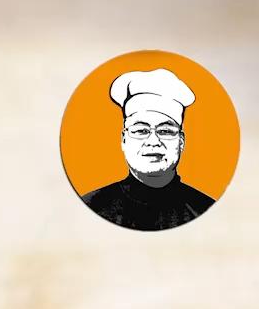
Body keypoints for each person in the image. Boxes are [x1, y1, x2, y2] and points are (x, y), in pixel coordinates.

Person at [80, 68, 217, 231]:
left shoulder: (205, 209)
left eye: (165, 131)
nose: (153, 141)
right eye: (141, 131)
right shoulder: (91, 207)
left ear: (181, 142)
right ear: (124, 140)